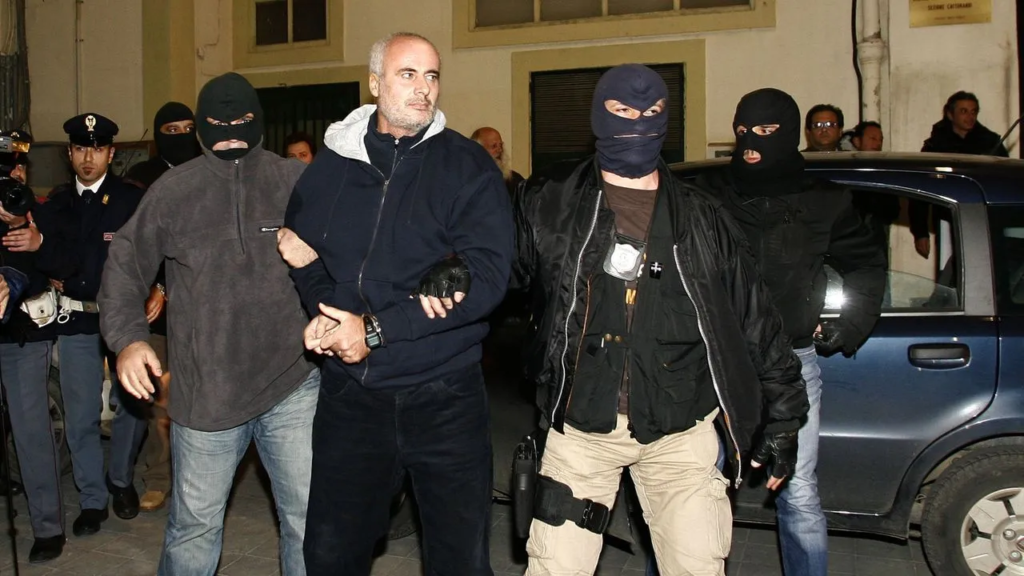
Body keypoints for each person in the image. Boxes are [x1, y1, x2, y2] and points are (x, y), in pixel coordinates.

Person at [511, 64, 807, 576]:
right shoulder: (551, 201)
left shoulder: (701, 215)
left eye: (650, 112)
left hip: (679, 432)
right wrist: (456, 265)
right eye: (623, 111)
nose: (637, 123)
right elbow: (499, 270)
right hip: (582, 429)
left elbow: (754, 316)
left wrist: (784, 415)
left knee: (697, 566)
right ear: (599, 116)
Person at [282, 32, 513, 575]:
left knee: (458, 559)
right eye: (408, 74)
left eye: (431, 76)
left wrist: (375, 329)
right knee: (331, 554)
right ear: (375, 83)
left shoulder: (466, 165)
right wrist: (325, 312)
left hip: (444, 393)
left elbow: (488, 278)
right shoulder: (331, 166)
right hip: (352, 399)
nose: (423, 88)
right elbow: (302, 253)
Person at [98, 72, 319, 576]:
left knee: (308, 522)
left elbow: (351, 252)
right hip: (206, 393)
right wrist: (128, 340)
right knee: (194, 529)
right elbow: (125, 265)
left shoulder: (294, 181)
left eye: (244, 121)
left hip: (292, 384)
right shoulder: (174, 192)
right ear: (200, 129)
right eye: (219, 124)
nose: (232, 134)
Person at [697, 88, 886, 576]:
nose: (751, 144)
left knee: (798, 492)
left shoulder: (824, 201)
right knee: (696, 486)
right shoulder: (710, 195)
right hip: (718, 363)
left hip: (793, 361)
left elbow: (866, 263)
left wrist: (851, 324)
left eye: (765, 132)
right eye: (743, 131)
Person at [27, 113, 149, 538]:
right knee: (80, 415)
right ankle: (92, 499)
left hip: (123, 317)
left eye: (97, 149)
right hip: (76, 316)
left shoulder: (130, 200)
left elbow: (155, 251)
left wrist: (160, 289)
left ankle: (120, 480)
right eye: (80, 149)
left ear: (111, 154)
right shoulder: (57, 205)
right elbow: (44, 259)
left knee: (133, 405)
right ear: (69, 153)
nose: (88, 158)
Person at [122, 101, 200, 512]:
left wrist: (167, 286)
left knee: (200, 395)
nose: (182, 136)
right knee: (158, 399)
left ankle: (196, 480)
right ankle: (157, 476)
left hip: (202, 307)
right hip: (157, 313)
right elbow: (137, 245)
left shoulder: (207, 171)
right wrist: (156, 287)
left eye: (189, 128)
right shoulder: (141, 180)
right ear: (158, 134)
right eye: (172, 130)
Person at [0, 129, 66, 562]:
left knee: (31, 431)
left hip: (24, 335)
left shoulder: (41, 211)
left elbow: (61, 265)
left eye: (16, 169)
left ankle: (48, 527)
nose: (12, 178)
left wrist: (30, 235)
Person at [911, 91, 1008, 258]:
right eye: (964, 111)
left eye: (973, 111)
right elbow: (920, 188)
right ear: (950, 114)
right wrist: (920, 232)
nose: (970, 117)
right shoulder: (936, 146)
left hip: (984, 218)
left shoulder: (990, 143)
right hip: (947, 218)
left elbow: (1004, 181)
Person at [471, 126, 523, 195]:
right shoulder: (468, 180)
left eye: (500, 145)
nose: (500, 150)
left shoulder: (514, 180)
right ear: (478, 150)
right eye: (494, 146)